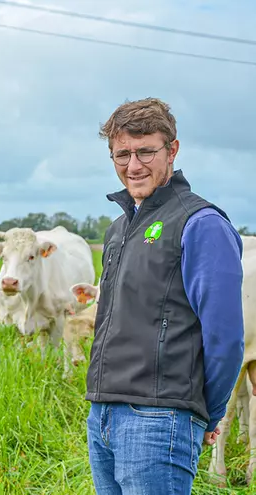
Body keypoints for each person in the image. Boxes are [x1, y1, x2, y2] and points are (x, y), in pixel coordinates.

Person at [84, 97, 244, 494]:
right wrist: (99, 410)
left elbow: (225, 337)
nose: (133, 166)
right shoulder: (118, 230)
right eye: (122, 154)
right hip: (102, 413)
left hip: (159, 419)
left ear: (172, 149)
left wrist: (206, 412)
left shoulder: (201, 224)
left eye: (145, 151)